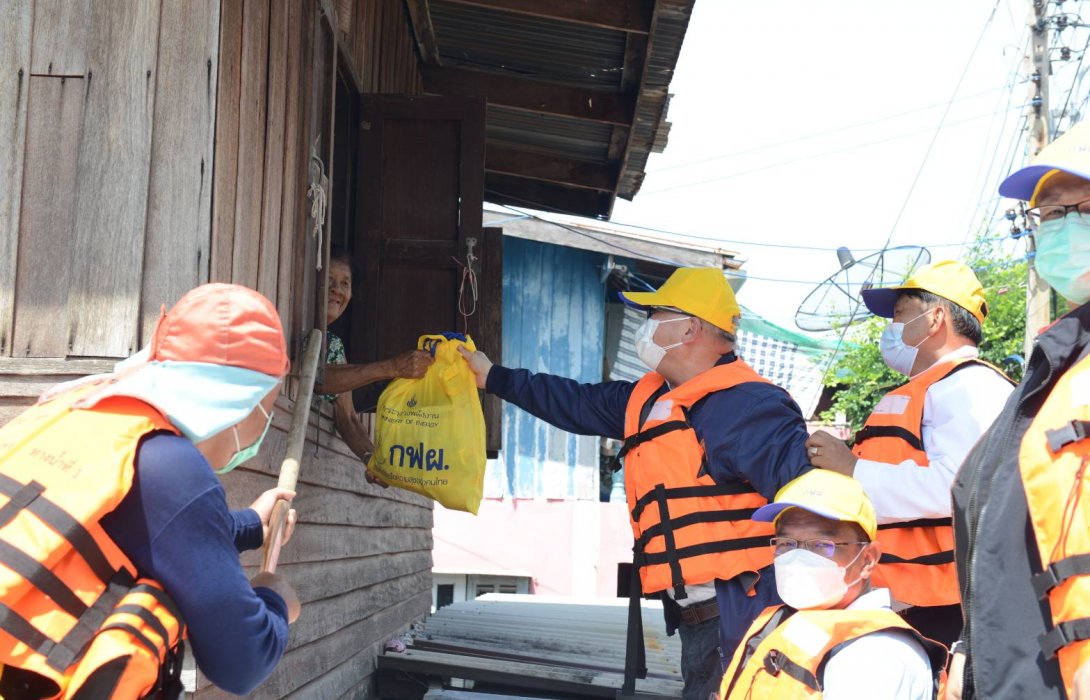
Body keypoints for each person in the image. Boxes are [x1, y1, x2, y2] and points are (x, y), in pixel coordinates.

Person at [458, 267, 813, 699]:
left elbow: (812, 505)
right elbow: (575, 401)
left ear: (690, 328)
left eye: (655, 314)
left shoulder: (751, 407)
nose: (645, 327)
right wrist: (492, 376)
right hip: (696, 618)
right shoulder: (647, 401)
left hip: (750, 613)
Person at [0, 284, 301, 697]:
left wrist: (251, 525)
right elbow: (243, 661)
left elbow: (143, 528)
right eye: (273, 400)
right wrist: (275, 600)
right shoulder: (172, 467)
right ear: (247, 400)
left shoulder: (75, 412)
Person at [951, 120, 1090, 700]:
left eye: (1074, 209)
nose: (1056, 232)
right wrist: (969, 649)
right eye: (1046, 217)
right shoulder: (1060, 357)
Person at [805, 260, 1013, 646]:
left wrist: (853, 469)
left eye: (900, 315)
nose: (890, 329)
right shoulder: (932, 388)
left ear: (935, 319)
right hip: (909, 596)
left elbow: (959, 487)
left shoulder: (971, 385)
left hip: (945, 605)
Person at [718, 470, 945, 699]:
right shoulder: (799, 620)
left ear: (868, 559)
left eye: (821, 545)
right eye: (787, 543)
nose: (797, 558)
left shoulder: (876, 656)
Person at [315, 246, 433, 485]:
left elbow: (346, 416)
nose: (336, 290)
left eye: (345, 283)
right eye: (328, 279)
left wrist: (375, 462)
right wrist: (394, 368)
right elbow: (318, 379)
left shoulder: (334, 344)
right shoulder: (303, 330)